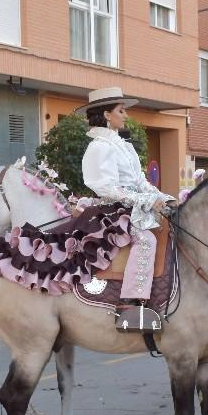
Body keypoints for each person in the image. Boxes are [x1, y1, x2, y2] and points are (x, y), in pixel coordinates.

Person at [80, 88, 174, 321]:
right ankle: (129, 305)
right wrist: (148, 201)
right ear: (107, 115)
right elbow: (107, 188)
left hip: (133, 207)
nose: (126, 115)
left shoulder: (124, 145)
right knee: (146, 239)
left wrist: (163, 197)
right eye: (121, 111)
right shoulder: (99, 146)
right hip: (112, 209)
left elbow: (140, 182)